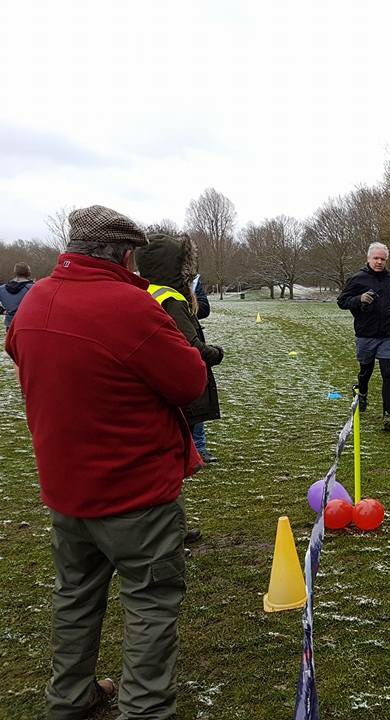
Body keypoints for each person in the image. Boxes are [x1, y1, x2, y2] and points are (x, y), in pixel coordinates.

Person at [5, 205, 208, 719]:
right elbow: (190, 382)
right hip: (136, 494)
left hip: (66, 491)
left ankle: (69, 699)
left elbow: (22, 355)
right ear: (125, 253)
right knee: (150, 603)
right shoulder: (129, 306)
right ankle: (144, 710)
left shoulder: (32, 303)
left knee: (74, 598)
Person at [136, 233, 224, 544]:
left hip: (153, 391)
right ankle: (168, 536)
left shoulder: (143, 291)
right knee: (169, 467)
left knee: (162, 465)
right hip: (172, 393)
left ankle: (171, 530)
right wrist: (214, 353)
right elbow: (191, 347)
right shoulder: (170, 299)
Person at [337, 242, 390, 431]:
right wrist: (359, 299)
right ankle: (362, 392)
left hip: (389, 333)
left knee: (388, 373)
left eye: (383, 259)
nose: (379, 262)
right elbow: (341, 301)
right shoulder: (357, 279)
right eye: (376, 258)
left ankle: (387, 415)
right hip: (366, 334)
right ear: (368, 259)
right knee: (365, 371)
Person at [190, 273, 217, 462]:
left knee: (196, 391)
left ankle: (199, 446)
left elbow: (204, 308)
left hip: (192, 339)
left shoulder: (193, 280)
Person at [0, 262, 35, 329]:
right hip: (27, 324)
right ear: (27, 272)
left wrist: (3, 311)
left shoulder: (2, 288)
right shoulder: (33, 288)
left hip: (10, 324)